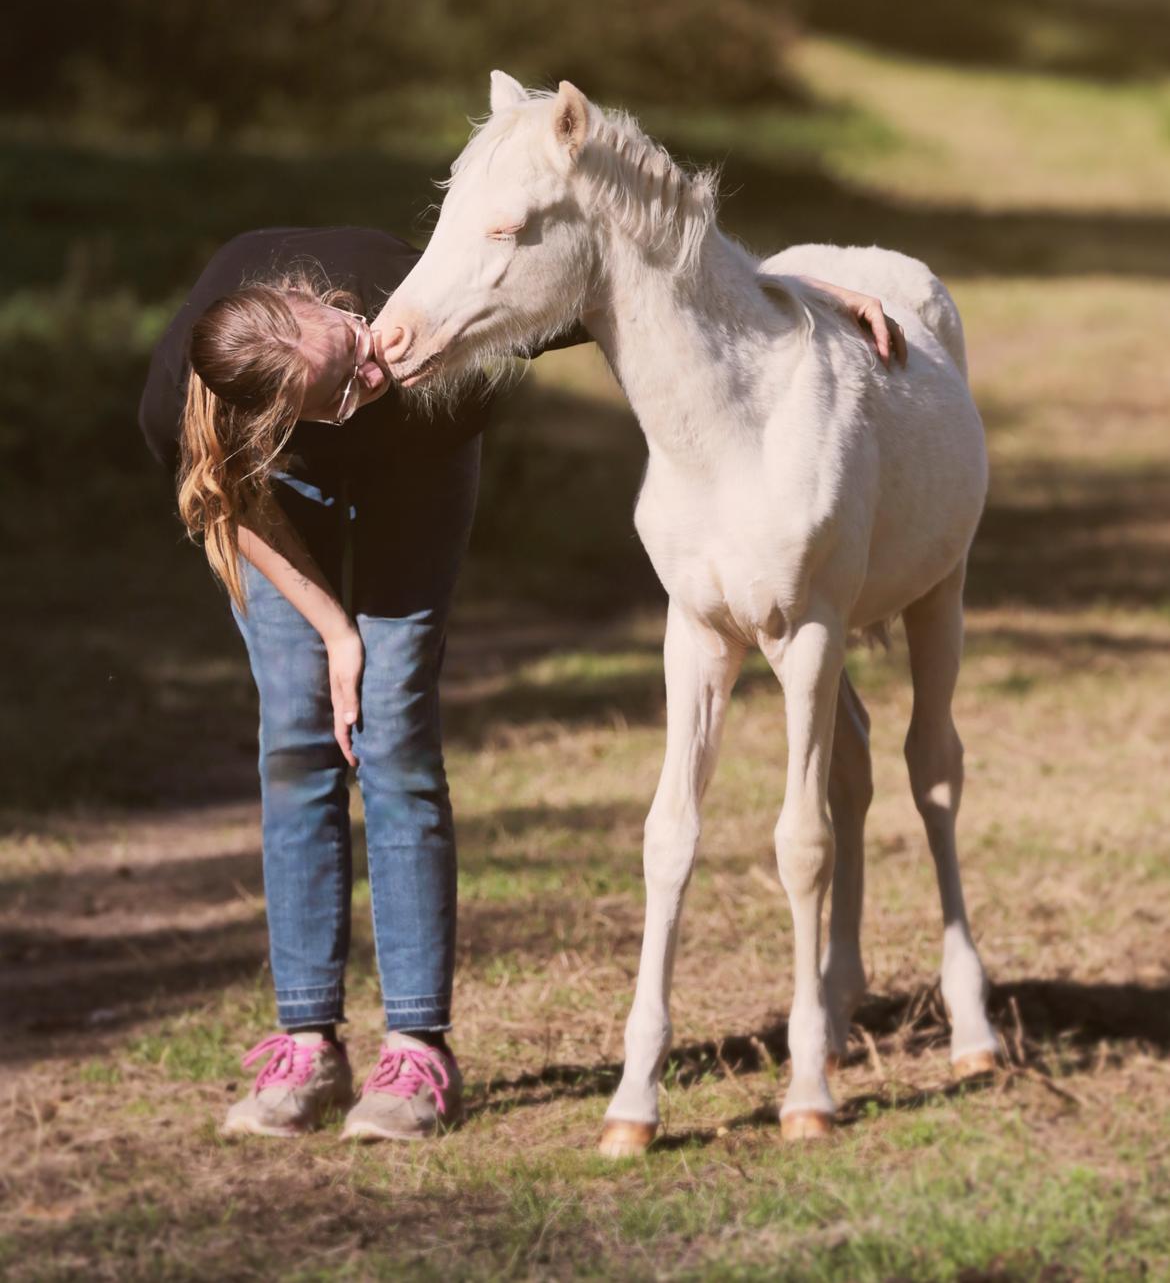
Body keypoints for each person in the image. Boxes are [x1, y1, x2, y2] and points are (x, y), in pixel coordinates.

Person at [139, 223, 905, 1143]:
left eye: (348, 353)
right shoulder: (196, 410)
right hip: (280, 494)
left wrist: (815, 285)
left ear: (318, 304)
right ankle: (306, 1039)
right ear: (272, 417)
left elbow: (637, 268)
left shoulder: (405, 311)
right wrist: (333, 630)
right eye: (336, 394)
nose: (364, 381)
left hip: (418, 467)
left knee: (392, 724)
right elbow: (229, 496)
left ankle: (418, 1052)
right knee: (298, 735)